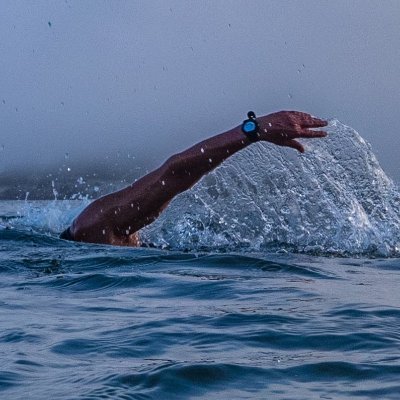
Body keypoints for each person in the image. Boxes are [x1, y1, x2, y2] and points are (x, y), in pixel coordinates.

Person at [60, 110, 327, 246]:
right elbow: (175, 173)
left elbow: (172, 175)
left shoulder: (96, 224)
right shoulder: (93, 228)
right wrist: (253, 130)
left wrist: (253, 130)